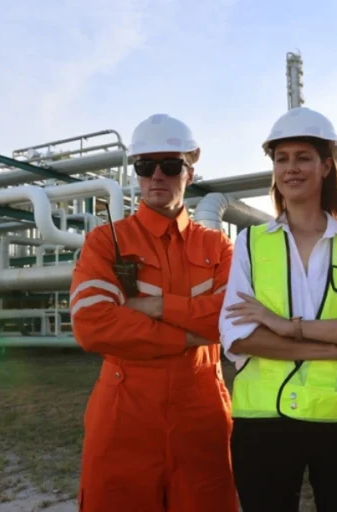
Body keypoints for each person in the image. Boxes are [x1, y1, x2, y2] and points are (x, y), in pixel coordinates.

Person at [219, 106, 337, 512]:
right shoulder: (249, 244)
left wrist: (287, 326)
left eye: (303, 157)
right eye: (281, 159)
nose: (291, 168)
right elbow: (240, 335)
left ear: (325, 166)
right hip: (263, 424)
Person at [69, 113, 238, 512]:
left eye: (171, 165)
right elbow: (92, 324)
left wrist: (157, 307)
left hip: (202, 414)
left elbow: (231, 318)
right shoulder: (106, 242)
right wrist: (188, 336)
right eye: (145, 166)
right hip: (123, 412)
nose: (157, 176)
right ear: (136, 174)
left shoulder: (219, 247)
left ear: (190, 171)